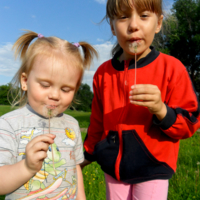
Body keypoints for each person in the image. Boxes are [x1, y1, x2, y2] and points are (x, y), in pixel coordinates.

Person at [81, 0, 200, 199]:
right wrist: (85, 156)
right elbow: (96, 125)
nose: (133, 25)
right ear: (112, 26)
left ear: (159, 23)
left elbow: (190, 122)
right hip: (113, 169)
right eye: (123, 17)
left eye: (144, 16)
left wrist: (161, 110)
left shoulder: (172, 68)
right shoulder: (102, 74)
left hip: (153, 167)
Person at [0, 30, 97, 200]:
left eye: (66, 89)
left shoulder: (72, 125)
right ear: (25, 81)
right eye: (45, 85)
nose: (54, 95)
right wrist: (27, 167)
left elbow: (76, 170)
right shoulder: (9, 124)